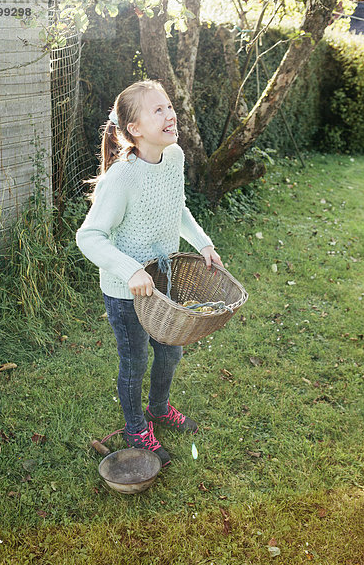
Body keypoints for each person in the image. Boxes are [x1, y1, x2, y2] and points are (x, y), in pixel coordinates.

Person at [76, 80, 223, 467]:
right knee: (135, 362)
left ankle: (158, 408)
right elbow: (89, 236)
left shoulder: (173, 156)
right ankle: (135, 427)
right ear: (135, 129)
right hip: (127, 293)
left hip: (163, 282)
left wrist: (203, 243)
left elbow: (177, 208)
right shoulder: (121, 178)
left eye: (169, 106)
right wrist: (129, 271)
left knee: (170, 352)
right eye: (157, 109)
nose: (169, 113)